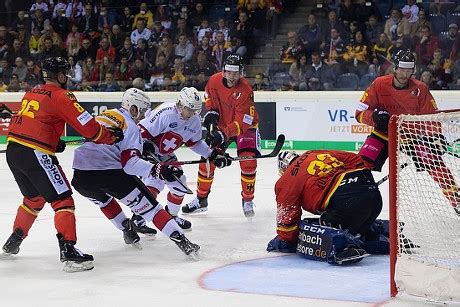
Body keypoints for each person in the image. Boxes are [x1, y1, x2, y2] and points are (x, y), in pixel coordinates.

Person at [2, 57, 124, 272]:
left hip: (14, 151)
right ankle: (68, 251)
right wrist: (110, 136)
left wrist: (53, 141)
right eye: (65, 75)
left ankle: (15, 239)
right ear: (59, 76)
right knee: (63, 200)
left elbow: (34, 122)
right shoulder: (62, 96)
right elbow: (91, 130)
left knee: (34, 198)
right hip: (36, 153)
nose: (67, 78)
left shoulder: (32, 92)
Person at [71, 88, 200, 258]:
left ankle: (127, 228)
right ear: (133, 108)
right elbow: (130, 165)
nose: (143, 116)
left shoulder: (104, 115)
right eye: (142, 111)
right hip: (109, 174)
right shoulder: (130, 127)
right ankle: (183, 243)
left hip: (80, 177)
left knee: (104, 201)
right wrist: (157, 169)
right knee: (152, 210)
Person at [356, 49, 460, 214]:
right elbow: (359, 114)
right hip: (384, 133)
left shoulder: (421, 89)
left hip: (413, 136)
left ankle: (456, 200)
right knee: (360, 164)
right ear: (394, 68)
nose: (405, 74)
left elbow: (432, 118)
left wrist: (435, 137)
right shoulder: (378, 84)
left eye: (409, 70)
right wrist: (374, 117)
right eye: (402, 69)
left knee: (437, 165)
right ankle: (352, 196)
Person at [136, 87, 232, 232]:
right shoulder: (166, 113)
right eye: (189, 109)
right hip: (149, 153)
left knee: (180, 185)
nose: (192, 113)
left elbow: (195, 143)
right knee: (154, 183)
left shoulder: (194, 121)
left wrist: (212, 155)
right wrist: (143, 149)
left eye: (196, 111)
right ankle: (138, 219)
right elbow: (141, 130)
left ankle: (171, 216)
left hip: (167, 155)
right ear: (180, 104)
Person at [267, 150, 387, 265]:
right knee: (354, 216)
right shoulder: (313, 153)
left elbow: (287, 221)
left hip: (347, 204)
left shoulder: (287, 180)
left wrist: (286, 240)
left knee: (328, 220)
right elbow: (355, 159)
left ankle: (344, 247)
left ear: (283, 168)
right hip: (374, 198)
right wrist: (359, 183)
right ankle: (373, 233)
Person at [182, 54, 261, 218]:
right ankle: (201, 199)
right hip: (223, 124)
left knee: (248, 161)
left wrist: (222, 134)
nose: (232, 76)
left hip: (245, 128)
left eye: (235, 72)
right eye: (229, 72)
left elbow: (243, 123)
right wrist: (211, 113)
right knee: (207, 160)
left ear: (241, 73)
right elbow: (209, 98)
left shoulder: (246, 91)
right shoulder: (213, 80)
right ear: (224, 71)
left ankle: (247, 200)